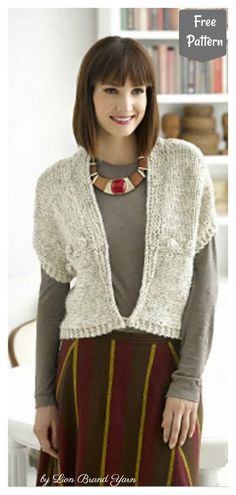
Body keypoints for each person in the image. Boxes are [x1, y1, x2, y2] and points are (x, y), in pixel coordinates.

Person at [32, 36, 218, 487]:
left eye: (139, 90)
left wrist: (187, 382)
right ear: (88, 94)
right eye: (112, 89)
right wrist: (43, 399)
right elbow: (52, 298)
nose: (126, 104)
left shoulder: (185, 166)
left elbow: (204, 285)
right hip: (84, 374)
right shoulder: (56, 184)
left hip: (165, 369)